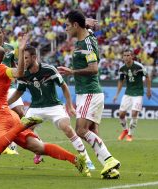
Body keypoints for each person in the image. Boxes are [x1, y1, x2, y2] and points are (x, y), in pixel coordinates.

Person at [0, 34, 90, 177]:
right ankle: (76, 160)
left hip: (1, 116)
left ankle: (22, 125)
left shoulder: (2, 69)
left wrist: (20, 51)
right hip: (8, 115)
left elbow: (19, 72)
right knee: (38, 147)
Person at [8, 45, 95, 170]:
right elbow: (18, 92)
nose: (23, 61)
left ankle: (86, 159)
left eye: (26, 58)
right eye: (22, 58)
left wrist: (69, 105)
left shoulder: (49, 70)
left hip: (54, 106)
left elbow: (64, 86)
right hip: (36, 107)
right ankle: (39, 149)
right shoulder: (23, 74)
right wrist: (6, 104)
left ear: (34, 57)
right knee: (24, 130)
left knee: (67, 128)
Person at [57, 9, 121, 179]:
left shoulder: (86, 44)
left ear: (76, 25)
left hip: (89, 92)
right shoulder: (86, 37)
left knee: (80, 130)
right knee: (92, 131)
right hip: (85, 93)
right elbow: (88, 28)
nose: (66, 29)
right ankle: (110, 169)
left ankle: (109, 159)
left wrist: (71, 71)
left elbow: (93, 69)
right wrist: (87, 22)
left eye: (68, 26)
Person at [0, 24, 25, 154]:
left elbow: (14, 64)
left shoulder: (10, 48)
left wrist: (19, 74)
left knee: (21, 113)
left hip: (9, 86)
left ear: (3, 33)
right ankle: (2, 142)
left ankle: (16, 143)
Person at [113, 48, 151, 142]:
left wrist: (148, 90)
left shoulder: (139, 66)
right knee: (121, 114)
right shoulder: (122, 68)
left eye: (128, 55)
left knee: (134, 113)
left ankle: (130, 134)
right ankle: (125, 130)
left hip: (138, 93)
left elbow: (147, 77)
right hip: (128, 93)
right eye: (124, 55)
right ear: (122, 57)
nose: (126, 57)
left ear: (132, 56)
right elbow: (121, 81)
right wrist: (117, 95)